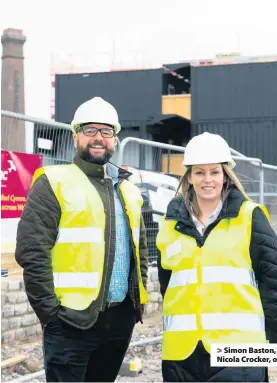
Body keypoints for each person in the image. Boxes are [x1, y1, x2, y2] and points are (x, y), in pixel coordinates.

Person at [15, 97, 150, 382]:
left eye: (106, 131)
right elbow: (32, 250)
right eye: (90, 130)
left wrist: (135, 303)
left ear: (115, 139)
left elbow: (141, 250)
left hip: (119, 320)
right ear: (75, 135)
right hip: (70, 322)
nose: (98, 138)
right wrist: (50, 315)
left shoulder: (129, 190)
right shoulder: (53, 182)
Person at [156, 132, 277, 382]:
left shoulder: (250, 217)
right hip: (182, 353)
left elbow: (273, 282)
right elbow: (168, 283)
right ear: (189, 177)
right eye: (200, 172)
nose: (208, 180)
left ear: (226, 175)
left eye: (214, 172)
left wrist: (270, 342)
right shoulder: (170, 223)